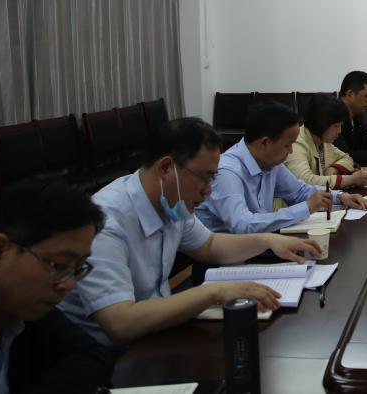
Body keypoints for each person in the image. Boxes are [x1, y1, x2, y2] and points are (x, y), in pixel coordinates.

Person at [59, 118, 320, 346]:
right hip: (107, 357)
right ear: (166, 168)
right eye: (205, 178)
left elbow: (209, 245)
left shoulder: (171, 202)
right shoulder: (106, 221)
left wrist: (268, 240)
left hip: (157, 334)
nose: (209, 190)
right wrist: (213, 293)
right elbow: (120, 323)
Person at [0, 181, 114, 393]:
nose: (69, 284)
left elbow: (92, 354)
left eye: (77, 267)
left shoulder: (28, 313)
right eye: (58, 265)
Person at [196, 102, 367, 234]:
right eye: (288, 145)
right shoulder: (227, 172)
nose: (291, 151)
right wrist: (307, 207)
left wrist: (340, 197)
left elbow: (299, 191)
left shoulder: (270, 163)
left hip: (259, 246)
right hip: (222, 261)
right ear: (265, 143)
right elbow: (243, 225)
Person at [286, 94, 367, 188]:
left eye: (340, 125)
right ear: (321, 123)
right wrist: (350, 180)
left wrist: (333, 169)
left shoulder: (322, 140)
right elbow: (305, 181)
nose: (339, 131)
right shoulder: (296, 143)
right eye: (336, 126)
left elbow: (347, 158)